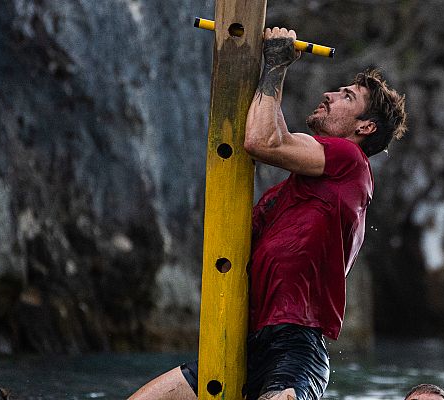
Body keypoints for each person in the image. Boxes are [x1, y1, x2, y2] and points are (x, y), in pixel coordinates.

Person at [129, 26, 406, 400]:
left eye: (346, 96)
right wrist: (271, 64)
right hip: (243, 341)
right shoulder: (286, 194)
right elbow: (274, 136)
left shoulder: (350, 160)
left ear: (365, 126)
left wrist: (276, 66)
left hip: (294, 345)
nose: (329, 95)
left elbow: (262, 141)